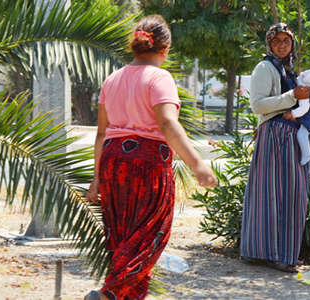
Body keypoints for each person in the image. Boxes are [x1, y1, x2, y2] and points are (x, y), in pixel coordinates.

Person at [85, 15, 216, 300]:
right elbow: (168, 124)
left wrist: (96, 178)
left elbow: (100, 134)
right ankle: (107, 295)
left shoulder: (112, 79)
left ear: (136, 45)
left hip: (112, 162)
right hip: (148, 164)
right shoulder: (160, 77)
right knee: (149, 237)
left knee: (123, 241)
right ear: (165, 49)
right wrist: (198, 164)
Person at [240, 23, 310, 273]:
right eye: (276, 40)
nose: (282, 44)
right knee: (276, 196)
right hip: (274, 138)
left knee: (291, 194)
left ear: (292, 44)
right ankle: (276, 254)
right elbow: (258, 106)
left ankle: (284, 252)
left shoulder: (288, 70)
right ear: (269, 44)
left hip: (289, 140)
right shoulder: (265, 68)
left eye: (287, 40)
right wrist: (293, 96)